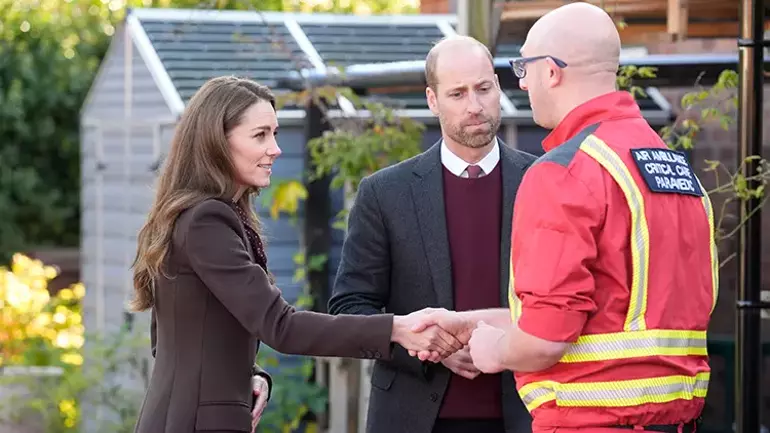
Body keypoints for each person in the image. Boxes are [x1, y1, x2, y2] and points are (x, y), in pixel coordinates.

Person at [413, 3, 719, 433]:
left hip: (591, 419)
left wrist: (493, 349)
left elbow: (546, 336)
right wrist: (469, 322)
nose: (522, 82)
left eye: (524, 68)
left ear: (552, 72)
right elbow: (608, 315)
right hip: (675, 418)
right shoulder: (673, 169)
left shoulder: (565, 172)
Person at [128, 76, 467, 433]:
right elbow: (282, 327)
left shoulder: (199, 215)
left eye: (274, 134)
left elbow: (182, 338)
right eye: (260, 135)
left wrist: (250, 375)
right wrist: (396, 329)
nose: (275, 149)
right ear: (217, 142)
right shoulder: (207, 221)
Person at [327, 35, 536, 433]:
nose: (474, 106)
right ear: (432, 100)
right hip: (413, 415)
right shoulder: (385, 193)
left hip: (526, 412)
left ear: (497, 86)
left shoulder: (543, 181)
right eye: (457, 93)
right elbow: (350, 307)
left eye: (483, 89)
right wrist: (427, 347)